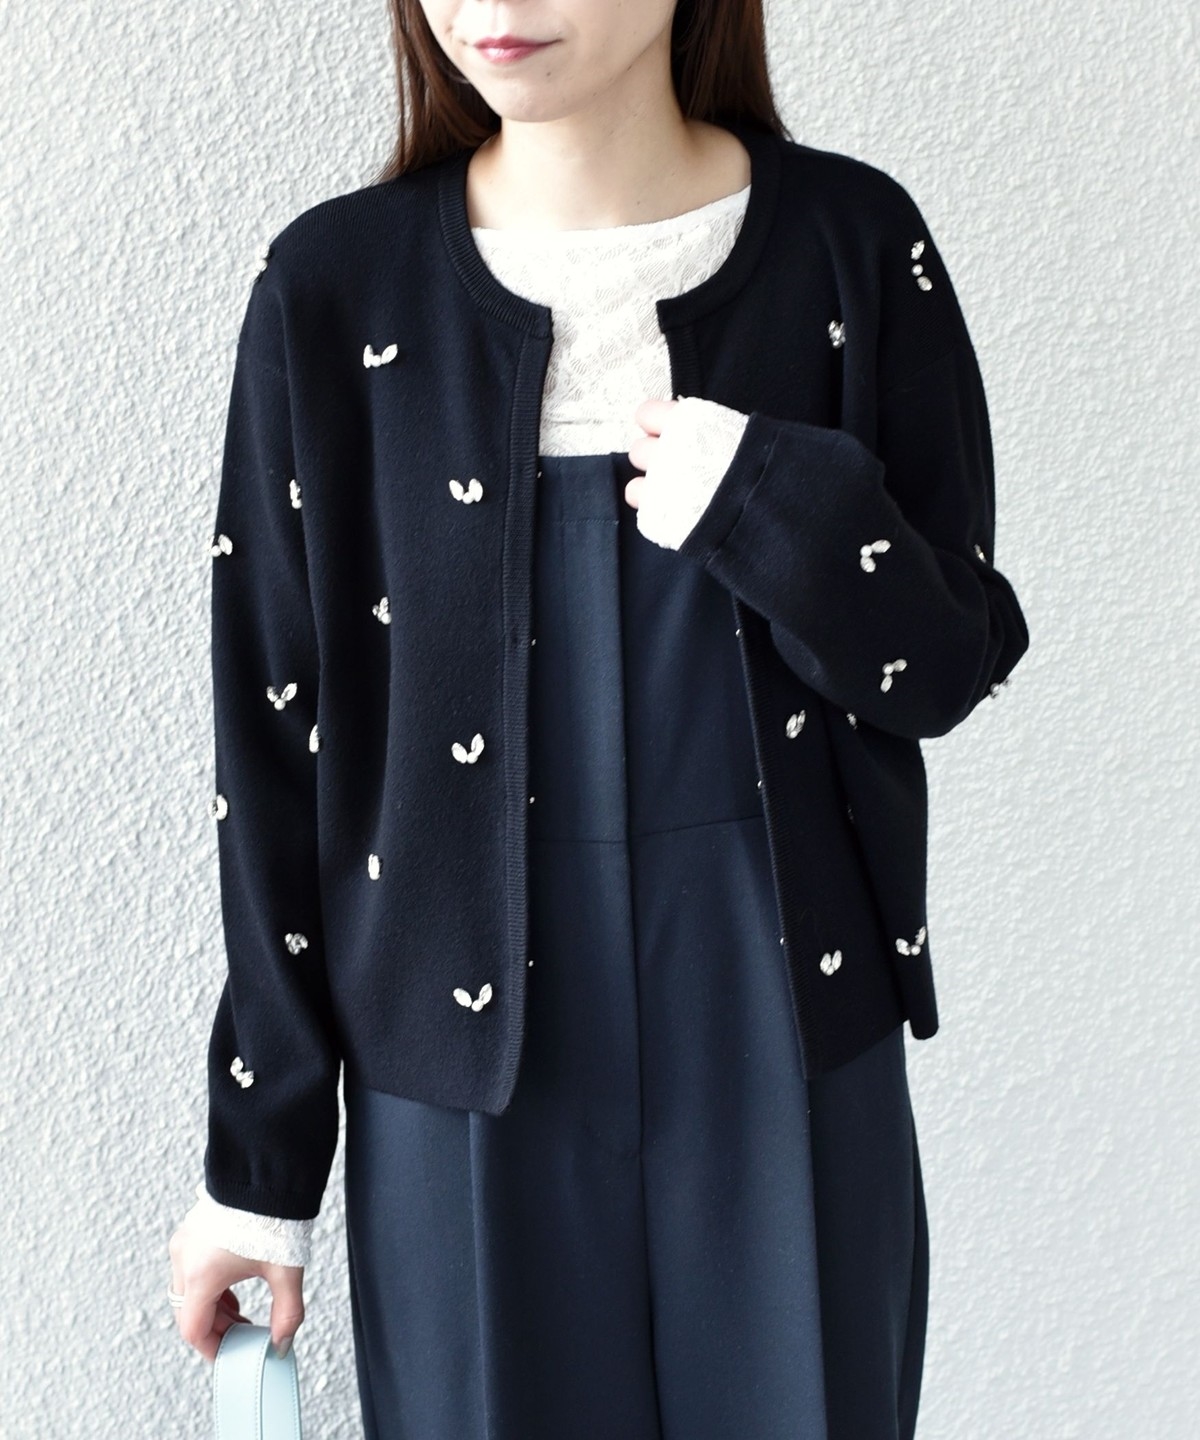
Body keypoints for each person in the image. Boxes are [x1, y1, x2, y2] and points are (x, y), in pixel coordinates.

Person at [168, 2, 1030, 1436]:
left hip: (786, 1023)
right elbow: (271, 748)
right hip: (454, 1068)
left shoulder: (851, 243)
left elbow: (948, 661)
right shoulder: (335, 288)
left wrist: (770, 507)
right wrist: (258, 1168)